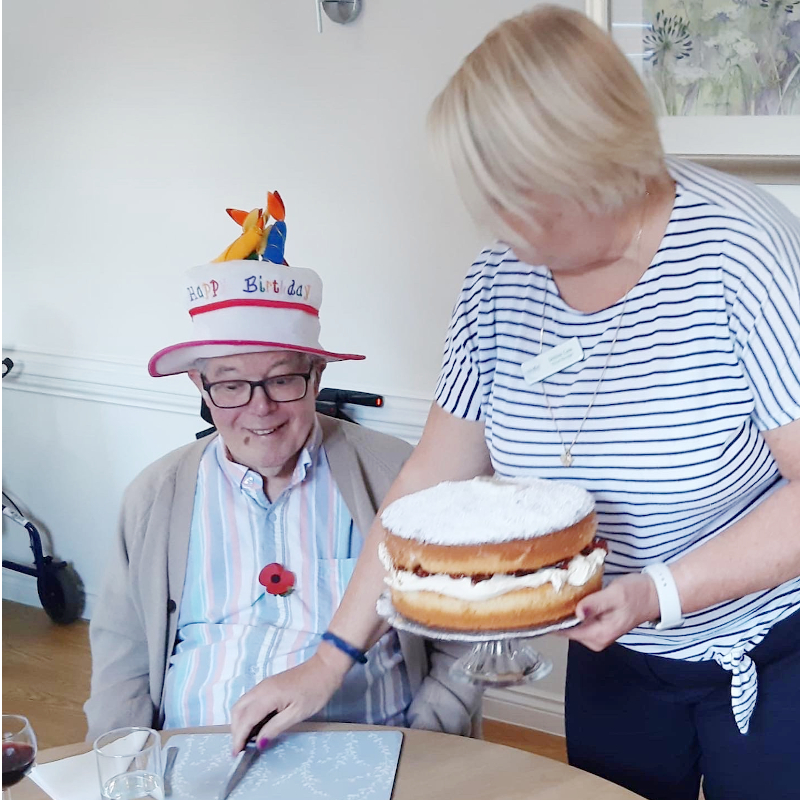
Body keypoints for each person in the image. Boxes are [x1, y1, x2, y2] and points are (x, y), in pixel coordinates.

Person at [230, 9, 800, 800]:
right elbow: (427, 481)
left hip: (770, 648)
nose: (496, 226)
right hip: (615, 653)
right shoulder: (501, 281)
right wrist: (330, 660)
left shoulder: (741, 248)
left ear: (594, 161)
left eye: (516, 198)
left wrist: (658, 594)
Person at [84, 200, 482, 742]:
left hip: (367, 754)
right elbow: (121, 658)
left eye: (281, 379)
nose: (259, 408)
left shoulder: (398, 474)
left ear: (316, 375)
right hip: (197, 757)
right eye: (229, 385)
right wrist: (122, 764)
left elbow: (465, 633)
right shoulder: (155, 496)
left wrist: (428, 745)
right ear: (200, 387)